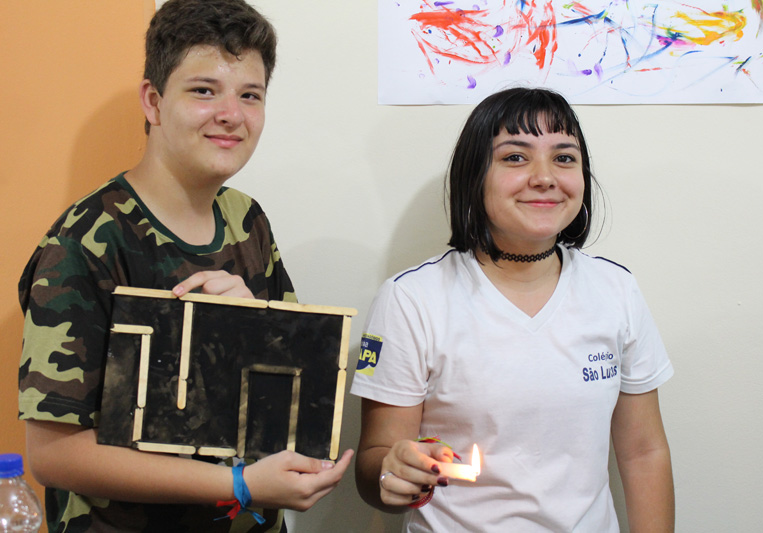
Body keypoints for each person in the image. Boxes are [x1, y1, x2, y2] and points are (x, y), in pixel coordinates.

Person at [17, 1, 352, 531]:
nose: (231, 114)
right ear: (153, 101)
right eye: (204, 91)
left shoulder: (247, 220)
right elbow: (54, 455)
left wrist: (253, 327)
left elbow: (296, 392)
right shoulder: (86, 241)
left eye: (250, 95)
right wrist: (238, 485)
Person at [351, 87, 675, 532]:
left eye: (564, 158)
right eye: (515, 157)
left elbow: (643, 452)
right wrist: (395, 472)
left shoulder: (616, 289)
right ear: (474, 176)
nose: (544, 177)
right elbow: (374, 465)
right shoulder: (411, 299)